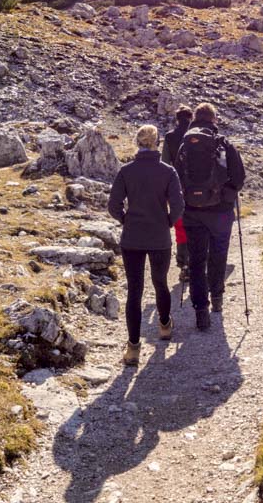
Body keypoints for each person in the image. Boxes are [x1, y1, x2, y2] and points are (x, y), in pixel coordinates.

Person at [108, 125, 185, 366]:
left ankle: (133, 348)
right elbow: (179, 206)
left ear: (137, 143)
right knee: (160, 282)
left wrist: (126, 220)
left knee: (134, 290)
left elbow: (113, 205)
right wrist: (167, 222)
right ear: (157, 143)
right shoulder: (168, 171)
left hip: (132, 238)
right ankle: (164, 325)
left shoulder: (126, 171)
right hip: (159, 237)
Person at [174, 103, 246, 331]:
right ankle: (217, 298)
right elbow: (239, 176)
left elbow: (175, 176)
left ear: (195, 118)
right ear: (214, 119)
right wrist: (227, 195)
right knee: (218, 254)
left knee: (196, 261)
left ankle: (200, 311)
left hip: (192, 212)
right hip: (220, 212)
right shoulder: (223, 143)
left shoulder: (185, 145)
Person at [161, 104, 194, 282]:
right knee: (198, 227)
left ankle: (184, 265)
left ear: (177, 119)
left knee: (181, 229)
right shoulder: (199, 136)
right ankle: (200, 262)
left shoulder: (170, 137)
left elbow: (165, 164)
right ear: (191, 118)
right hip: (200, 190)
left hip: (177, 189)